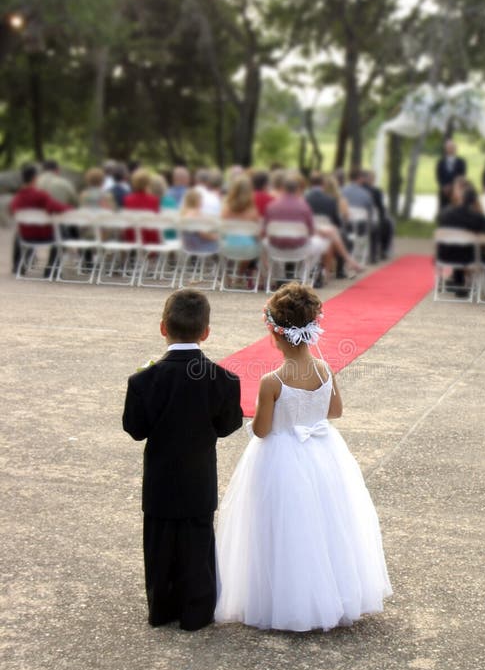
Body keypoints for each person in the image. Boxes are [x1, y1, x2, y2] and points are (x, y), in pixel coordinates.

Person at [215, 283, 392, 631]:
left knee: (282, 527)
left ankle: (285, 597)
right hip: (323, 453)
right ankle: (330, 593)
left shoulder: (272, 381)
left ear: (273, 333)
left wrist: (266, 421)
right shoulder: (325, 370)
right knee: (325, 523)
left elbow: (263, 430)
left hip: (281, 456)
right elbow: (336, 411)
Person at [123, 289, 243, 630]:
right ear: (205, 332)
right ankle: (196, 612)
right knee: (197, 544)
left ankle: (161, 609)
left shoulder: (143, 379)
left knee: (159, 544)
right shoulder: (223, 379)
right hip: (198, 478)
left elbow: (135, 429)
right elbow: (228, 425)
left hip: (159, 481)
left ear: (163, 327)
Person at [10, 163, 69, 275]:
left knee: (18, 234)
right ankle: (52, 269)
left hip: (26, 236)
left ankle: (18, 265)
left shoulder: (17, 198)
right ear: (34, 178)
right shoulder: (41, 195)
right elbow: (55, 207)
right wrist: (71, 209)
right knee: (62, 233)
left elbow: (13, 211)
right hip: (44, 236)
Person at [437, 179, 484, 295]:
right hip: (469, 256)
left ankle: (459, 282)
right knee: (471, 246)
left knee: (458, 245)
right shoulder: (477, 216)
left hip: (446, 255)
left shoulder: (446, 213)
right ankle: (466, 282)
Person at [123, 168, 160, 244]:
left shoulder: (127, 200)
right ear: (148, 183)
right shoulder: (154, 200)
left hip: (132, 237)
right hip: (150, 238)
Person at [179, 189, 219, 253]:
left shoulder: (183, 213)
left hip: (187, 247)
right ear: (197, 201)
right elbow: (203, 234)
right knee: (221, 244)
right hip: (200, 247)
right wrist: (216, 237)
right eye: (201, 200)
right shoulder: (196, 214)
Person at [436, 139, 467, 212]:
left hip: (456, 191)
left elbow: (462, 175)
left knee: (456, 210)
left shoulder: (461, 162)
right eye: (448, 148)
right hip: (444, 191)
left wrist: (453, 186)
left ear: (455, 149)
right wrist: (444, 186)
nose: (450, 149)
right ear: (445, 149)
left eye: (452, 147)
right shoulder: (441, 162)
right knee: (443, 210)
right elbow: (438, 176)